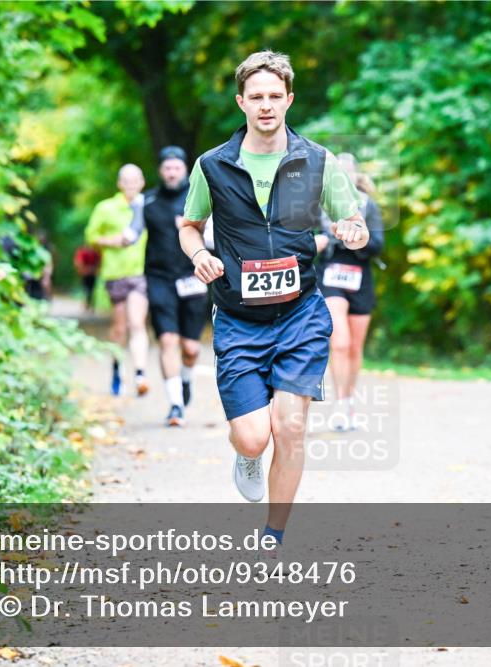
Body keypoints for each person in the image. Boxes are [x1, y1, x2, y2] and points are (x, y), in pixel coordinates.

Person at [178, 51, 368, 548]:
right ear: (242, 102)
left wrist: (352, 231)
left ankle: (273, 534)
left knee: (291, 428)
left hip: (301, 313)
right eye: (256, 97)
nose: (266, 106)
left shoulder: (317, 161)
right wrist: (199, 253)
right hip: (239, 319)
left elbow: (355, 223)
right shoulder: (212, 166)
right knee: (254, 436)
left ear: (289, 100)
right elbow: (189, 225)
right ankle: (245, 454)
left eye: (274, 97)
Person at [143, 146, 209, 427]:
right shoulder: (148, 202)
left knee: (191, 348)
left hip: (194, 276)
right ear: (161, 170)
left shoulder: (199, 199)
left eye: (177, 168)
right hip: (159, 278)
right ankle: (175, 405)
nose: (172, 172)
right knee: (167, 340)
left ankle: (185, 379)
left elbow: (219, 234)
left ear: (185, 170)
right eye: (167, 168)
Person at [317, 153, 385, 430]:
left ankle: (347, 403)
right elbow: (303, 236)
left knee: (355, 347)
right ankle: (339, 405)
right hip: (331, 272)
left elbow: (377, 244)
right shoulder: (318, 203)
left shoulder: (368, 205)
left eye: (348, 171)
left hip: (360, 276)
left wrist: (356, 237)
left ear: (355, 176)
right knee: (340, 343)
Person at [84, 164, 152, 397]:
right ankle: (117, 368)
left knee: (137, 323)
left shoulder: (146, 207)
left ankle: (140, 374)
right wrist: (112, 241)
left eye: (135, 180)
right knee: (119, 328)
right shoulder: (106, 208)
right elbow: (91, 237)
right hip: (114, 275)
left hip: (139, 273)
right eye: (126, 180)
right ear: (119, 183)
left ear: (142, 182)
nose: (131, 185)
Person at [73, 244, 101, 312]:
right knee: (88, 290)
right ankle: (88, 304)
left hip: (89, 273)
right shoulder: (84, 252)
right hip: (87, 273)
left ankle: (89, 305)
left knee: (89, 290)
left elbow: (78, 262)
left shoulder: (93, 252)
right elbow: (79, 262)